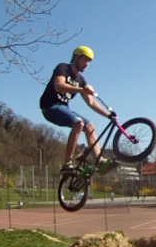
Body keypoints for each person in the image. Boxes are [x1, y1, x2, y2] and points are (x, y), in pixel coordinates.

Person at [40, 45, 116, 173]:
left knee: (90, 126)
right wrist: (82, 89)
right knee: (78, 122)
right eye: (85, 60)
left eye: (89, 62)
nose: (87, 64)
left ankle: (99, 161)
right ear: (76, 57)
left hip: (63, 108)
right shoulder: (63, 68)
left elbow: (91, 102)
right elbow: (59, 86)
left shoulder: (80, 79)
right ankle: (67, 163)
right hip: (50, 107)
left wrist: (108, 115)